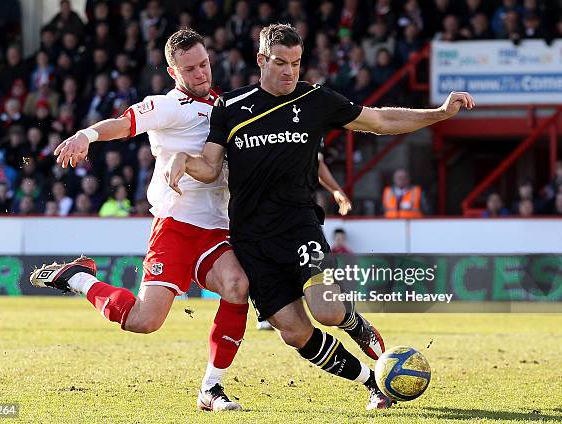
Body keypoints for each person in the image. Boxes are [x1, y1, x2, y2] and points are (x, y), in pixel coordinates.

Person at [166, 24, 474, 410]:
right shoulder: (230, 106)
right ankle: (373, 383)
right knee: (295, 332)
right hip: (251, 241)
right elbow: (210, 168)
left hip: (299, 227)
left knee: (327, 310)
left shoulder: (315, 100)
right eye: (280, 62)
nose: (289, 72)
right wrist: (182, 160)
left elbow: (379, 121)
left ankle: (354, 324)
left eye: (295, 63)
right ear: (262, 60)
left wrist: (440, 114)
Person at [29, 29, 249, 412]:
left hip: (216, 229)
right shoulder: (168, 106)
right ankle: (79, 278)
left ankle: (212, 388)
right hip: (175, 227)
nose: (201, 73)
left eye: (204, 64)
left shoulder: (226, 105)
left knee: (237, 286)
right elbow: (123, 122)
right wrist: (86, 136)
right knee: (144, 321)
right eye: (190, 68)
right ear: (172, 71)